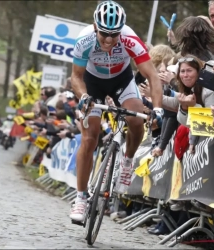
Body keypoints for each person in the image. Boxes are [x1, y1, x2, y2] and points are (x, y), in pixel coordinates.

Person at [69, 0, 163, 222]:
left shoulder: (130, 39)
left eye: (114, 34)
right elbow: (76, 77)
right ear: (95, 26)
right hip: (92, 84)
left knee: (137, 120)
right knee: (90, 137)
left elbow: (153, 77)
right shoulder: (84, 40)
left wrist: (157, 108)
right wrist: (83, 97)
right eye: (104, 34)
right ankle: (81, 198)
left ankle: (128, 161)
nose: (110, 39)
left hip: (121, 80)